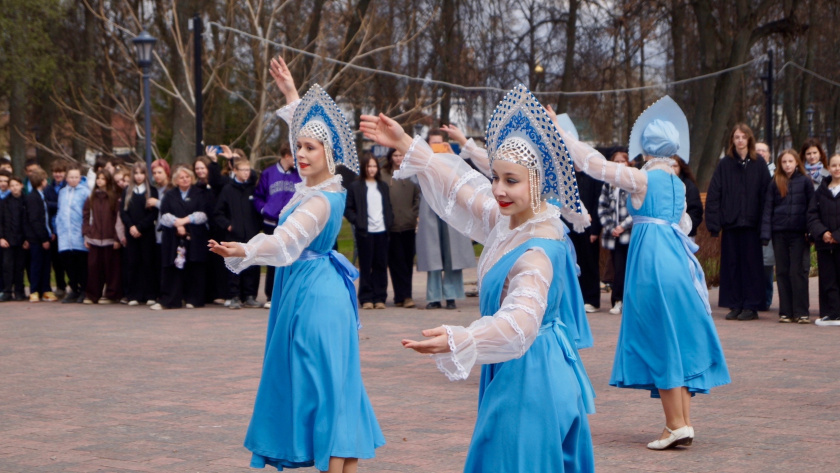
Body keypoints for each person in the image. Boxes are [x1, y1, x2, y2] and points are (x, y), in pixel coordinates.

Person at [361, 84, 595, 472]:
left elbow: (521, 320)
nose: (498, 189)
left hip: (531, 375)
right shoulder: (511, 222)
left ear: (537, 181)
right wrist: (406, 142)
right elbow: (461, 187)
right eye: (496, 177)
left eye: (511, 180)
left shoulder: (537, 251)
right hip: (520, 366)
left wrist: (463, 338)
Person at [210, 56, 384, 473]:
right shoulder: (316, 186)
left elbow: (285, 242)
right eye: (298, 147)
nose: (300, 154)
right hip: (312, 290)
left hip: (315, 299)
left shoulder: (320, 200)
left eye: (310, 148)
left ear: (329, 153)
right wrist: (291, 92)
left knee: (324, 391)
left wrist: (245, 251)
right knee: (331, 389)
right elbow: (302, 131)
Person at [559, 95, 730, 449]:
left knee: (658, 338)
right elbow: (684, 225)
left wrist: (563, 135)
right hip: (678, 260)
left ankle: (674, 424)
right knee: (676, 338)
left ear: (647, 148)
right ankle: (683, 423)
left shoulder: (641, 178)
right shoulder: (678, 183)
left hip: (652, 261)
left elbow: (595, 165)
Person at [705, 123, 771, 321]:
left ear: (749, 139)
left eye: (743, 137)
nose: (740, 140)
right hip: (731, 224)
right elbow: (714, 193)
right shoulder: (725, 164)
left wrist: (765, 227)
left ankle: (751, 306)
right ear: (732, 140)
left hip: (752, 225)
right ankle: (735, 304)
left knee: (751, 267)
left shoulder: (759, 164)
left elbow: (767, 196)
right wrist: (714, 224)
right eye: (737, 137)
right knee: (731, 266)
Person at [415, 129, 476, 310]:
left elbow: (464, 178)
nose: (436, 146)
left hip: (451, 205)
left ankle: (451, 295)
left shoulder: (453, 160)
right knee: (432, 254)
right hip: (430, 205)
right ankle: (433, 297)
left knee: (453, 252)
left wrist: (452, 157)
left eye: (439, 143)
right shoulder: (422, 160)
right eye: (433, 143)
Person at [760, 149, 813, 323]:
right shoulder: (775, 182)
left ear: (797, 162)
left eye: (790, 161)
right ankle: (786, 311)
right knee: (782, 271)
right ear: (780, 164)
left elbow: (811, 208)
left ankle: (801, 311)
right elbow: (768, 208)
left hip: (799, 233)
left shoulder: (805, 182)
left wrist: (811, 231)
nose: (787, 165)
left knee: (797, 271)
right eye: (784, 162)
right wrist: (765, 234)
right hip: (779, 232)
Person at [151, 166, 212, 310]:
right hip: (173, 237)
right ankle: (171, 300)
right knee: (173, 268)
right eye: (181, 177)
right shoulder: (169, 195)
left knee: (195, 267)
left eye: (187, 177)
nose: (185, 180)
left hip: (195, 236)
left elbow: (203, 214)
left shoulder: (200, 194)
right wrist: (177, 224)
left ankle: (194, 299)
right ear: (176, 180)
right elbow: (164, 215)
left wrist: (185, 221)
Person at [253, 145, 302, 309]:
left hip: (291, 223)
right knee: (273, 259)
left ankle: (288, 295)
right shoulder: (268, 173)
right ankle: (271, 295)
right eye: (295, 156)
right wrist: (264, 210)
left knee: (291, 259)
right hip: (271, 223)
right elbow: (258, 196)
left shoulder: (299, 175)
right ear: (287, 155)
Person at [345, 155, 393, 309]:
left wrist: (389, 221)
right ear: (364, 168)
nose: (371, 169)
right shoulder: (355, 186)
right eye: (369, 166)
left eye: (374, 166)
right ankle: (366, 298)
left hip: (382, 231)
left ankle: (379, 297)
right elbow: (348, 208)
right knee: (366, 265)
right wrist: (358, 221)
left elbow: (388, 206)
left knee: (380, 265)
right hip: (365, 232)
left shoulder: (383, 186)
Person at [214, 158, 262, 309]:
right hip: (234, 235)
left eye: (248, 170)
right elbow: (218, 212)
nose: (247, 173)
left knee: (252, 265)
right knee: (234, 264)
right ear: (235, 171)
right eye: (243, 170)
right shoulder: (228, 189)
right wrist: (228, 225)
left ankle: (250, 295)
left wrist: (257, 225)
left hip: (251, 233)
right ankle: (233, 295)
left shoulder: (252, 188)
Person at [381, 148, 420, 308]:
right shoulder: (383, 175)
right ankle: (400, 296)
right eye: (395, 155)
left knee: (407, 261)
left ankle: (407, 295)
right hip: (391, 226)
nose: (398, 158)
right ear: (390, 157)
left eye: (400, 155)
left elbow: (418, 197)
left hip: (408, 225)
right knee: (395, 262)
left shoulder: (412, 174)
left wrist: (412, 214)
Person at [597, 150, 633, 315]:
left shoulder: (632, 181)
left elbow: (637, 208)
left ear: (628, 163)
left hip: (629, 233)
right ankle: (617, 300)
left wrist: (624, 226)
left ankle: (629, 301)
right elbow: (602, 208)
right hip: (614, 235)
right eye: (616, 161)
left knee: (629, 268)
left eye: (622, 161)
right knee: (617, 268)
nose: (619, 164)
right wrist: (612, 227)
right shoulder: (608, 183)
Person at [808, 154, 840, 326]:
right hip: (824, 244)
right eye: (834, 165)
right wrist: (822, 233)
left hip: (838, 243)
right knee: (827, 278)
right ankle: (830, 313)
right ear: (828, 168)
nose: (837, 169)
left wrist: (836, 236)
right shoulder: (821, 190)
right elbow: (812, 214)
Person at [120, 163, 159, 306]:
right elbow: (123, 212)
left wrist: (140, 227)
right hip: (131, 233)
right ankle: (133, 295)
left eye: (141, 173)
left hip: (146, 232)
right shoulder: (127, 191)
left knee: (148, 262)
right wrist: (131, 226)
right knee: (133, 262)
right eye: (136, 173)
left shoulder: (152, 191)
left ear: (145, 174)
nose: (138, 176)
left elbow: (153, 214)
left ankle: (150, 294)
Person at [82, 171, 122, 304]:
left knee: (111, 268)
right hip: (94, 237)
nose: (100, 181)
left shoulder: (114, 197)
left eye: (103, 178)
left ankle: (111, 294)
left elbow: (117, 218)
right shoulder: (91, 197)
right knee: (93, 267)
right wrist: (86, 233)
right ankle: (93, 294)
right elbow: (86, 216)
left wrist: (117, 237)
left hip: (110, 238)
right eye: (98, 178)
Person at [56, 165, 91, 303]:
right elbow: (60, 211)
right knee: (68, 263)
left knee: (81, 263)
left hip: (79, 233)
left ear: (80, 178)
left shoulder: (85, 192)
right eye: (71, 177)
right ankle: (74, 288)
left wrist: (86, 232)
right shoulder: (62, 192)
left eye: (76, 177)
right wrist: (58, 228)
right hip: (65, 234)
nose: (73, 179)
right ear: (66, 178)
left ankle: (84, 289)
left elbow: (88, 213)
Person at [24, 168, 57, 302]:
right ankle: (34, 290)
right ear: (41, 181)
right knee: (36, 264)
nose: (47, 182)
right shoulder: (33, 198)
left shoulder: (42, 196)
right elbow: (35, 220)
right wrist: (43, 238)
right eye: (45, 180)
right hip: (37, 238)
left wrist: (51, 232)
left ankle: (46, 289)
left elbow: (46, 217)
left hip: (45, 234)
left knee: (46, 265)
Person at [147, 159, 172, 304]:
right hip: (156, 233)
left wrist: (157, 203)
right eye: (154, 173)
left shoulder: (171, 189)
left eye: (159, 172)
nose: (157, 175)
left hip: (168, 232)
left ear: (166, 172)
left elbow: (172, 206)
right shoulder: (154, 189)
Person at [0, 176, 27, 301]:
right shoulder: (4, 202)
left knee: (20, 267)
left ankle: (19, 291)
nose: (15, 188)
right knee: (7, 266)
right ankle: (7, 291)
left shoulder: (26, 201)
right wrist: (1, 237)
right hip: (8, 240)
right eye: (12, 186)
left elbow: (28, 221)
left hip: (22, 240)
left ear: (21, 185)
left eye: (17, 185)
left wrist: (27, 239)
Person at [44, 160, 69, 298]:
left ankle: (73, 284)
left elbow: (64, 206)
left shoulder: (67, 187)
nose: (58, 174)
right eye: (55, 172)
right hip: (53, 228)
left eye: (60, 172)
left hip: (66, 228)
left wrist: (53, 204)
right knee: (56, 260)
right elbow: (46, 206)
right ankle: (60, 286)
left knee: (67, 259)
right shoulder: (48, 189)